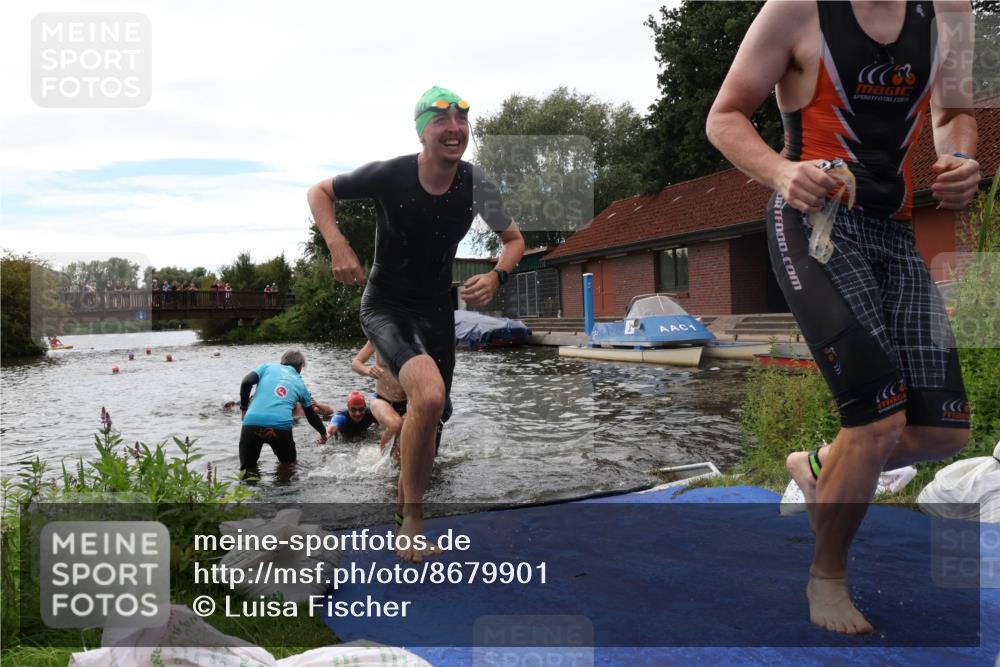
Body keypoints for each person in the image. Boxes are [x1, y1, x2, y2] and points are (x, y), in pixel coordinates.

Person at [706, 0, 979, 634]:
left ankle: (820, 466)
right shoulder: (795, 11)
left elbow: (955, 112)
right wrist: (780, 171)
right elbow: (724, 117)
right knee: (878, 417)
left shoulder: (952, 13)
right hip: (815, 225)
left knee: (944, 433)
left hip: (896, 232)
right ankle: (826, 577)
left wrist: (962, 158)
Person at [308, 85, 525, 560]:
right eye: (442, 122)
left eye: (462, 122)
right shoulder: (392, 175)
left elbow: (514, 240)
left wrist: (496, 274)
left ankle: (403, 486)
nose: (455, 131)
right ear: (423, 132)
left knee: (434, 416)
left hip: (435, 310)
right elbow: (320, 191)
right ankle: (411, 519)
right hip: (385, 304)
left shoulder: (475, 183)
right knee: (427, 393)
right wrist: (338, 245)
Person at [238, 349, 328, 473]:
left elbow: (246, 382)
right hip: (280, 427)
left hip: (252, 422)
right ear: (300, 367)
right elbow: (311, 416)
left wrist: (244, 409)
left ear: (282, 362)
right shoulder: (301, 385)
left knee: (247, 470)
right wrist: (323, 434)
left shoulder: (267, 367)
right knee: (289, 468)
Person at [352, 340, 408, 459]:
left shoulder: (412, 336)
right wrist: (368, 370)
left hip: (408, 402)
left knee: (402, 451)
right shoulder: (378, 335)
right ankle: (381, 467)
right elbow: (355, 363)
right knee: (396, 425)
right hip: (381, 399)